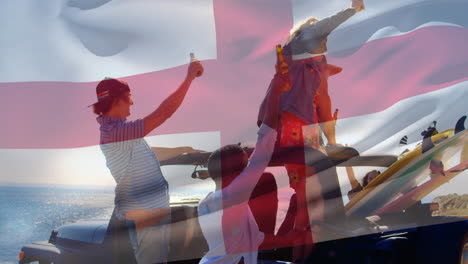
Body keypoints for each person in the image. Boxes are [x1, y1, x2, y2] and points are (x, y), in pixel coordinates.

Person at [257, 0, 366, 260]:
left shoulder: (320, 62)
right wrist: (352, 10)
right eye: (318, 32)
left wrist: (332, 140)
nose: (324, 37)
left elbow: (324, 100)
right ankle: (301, 250)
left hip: (309, 127)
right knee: (308, 187)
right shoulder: (294, 49)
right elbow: (317, 31)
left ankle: (306, 246)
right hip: (287, 122)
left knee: (310, 192)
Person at [91, 57, 204, 264]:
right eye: (129, 97)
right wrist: (189, 78)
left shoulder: (119, 132)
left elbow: (148, 153)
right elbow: (164, 113)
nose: (132, 103)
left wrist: (182, 150)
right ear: (117, 100)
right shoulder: (117, 133)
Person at [198, 71, 297, 264]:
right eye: (245, 165)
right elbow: (264, 146)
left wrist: (288, 239)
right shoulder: (230, 197)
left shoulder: (209, 203)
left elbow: (253, 239)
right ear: (234, 173)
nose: (250, 171)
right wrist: (275, 92)